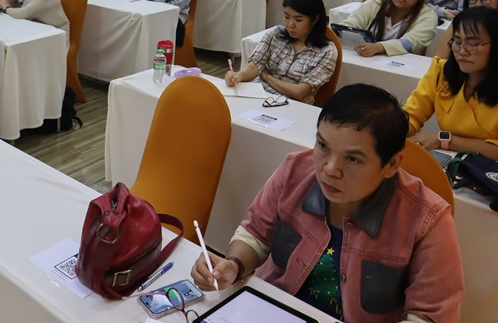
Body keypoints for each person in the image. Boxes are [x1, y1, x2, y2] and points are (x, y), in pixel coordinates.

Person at [192, 84, 464, 322]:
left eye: (352, 159)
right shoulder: (295, 170)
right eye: (323, 146)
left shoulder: (427, 219)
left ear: (391, 164)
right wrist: (234, 265)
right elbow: (255, 234)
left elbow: (430, 316)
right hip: (274, 309)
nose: (330, 169)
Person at [405, 7, 498, 167]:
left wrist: (445, 140)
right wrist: (390, 130)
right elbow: (412, 116)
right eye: (457, 42)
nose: (462, 51)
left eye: (473, 44)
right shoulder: (441, 70)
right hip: (454, 162)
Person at [226, 0, 337, 104]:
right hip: (258, 95)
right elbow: (255, 66)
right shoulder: (276, 34)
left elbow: (299, 92)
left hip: (291, 105)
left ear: (314, 20)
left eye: (298, 20)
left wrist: (267, 77)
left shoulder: (326, 51)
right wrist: (238, 76)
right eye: (287, 17)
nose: (290, 24)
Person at [343, 0, 437, 56]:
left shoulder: (427, 16)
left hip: (401, 63)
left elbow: (410, 42)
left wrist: (379, 47)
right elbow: (351, 24)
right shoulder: (375, 3)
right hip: (364, 57)